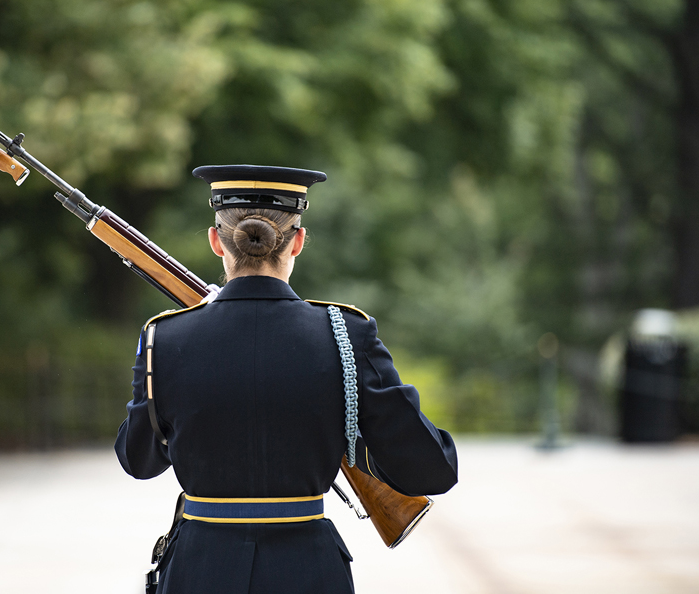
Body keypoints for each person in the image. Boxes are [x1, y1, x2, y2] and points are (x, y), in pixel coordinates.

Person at [115, 165, 458, 594]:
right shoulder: (348, 333)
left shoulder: (163, 337)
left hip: (200, 572)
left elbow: (139, 461)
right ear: (296, 242)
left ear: (215, 239)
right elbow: (433, 469)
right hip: (310, 572)